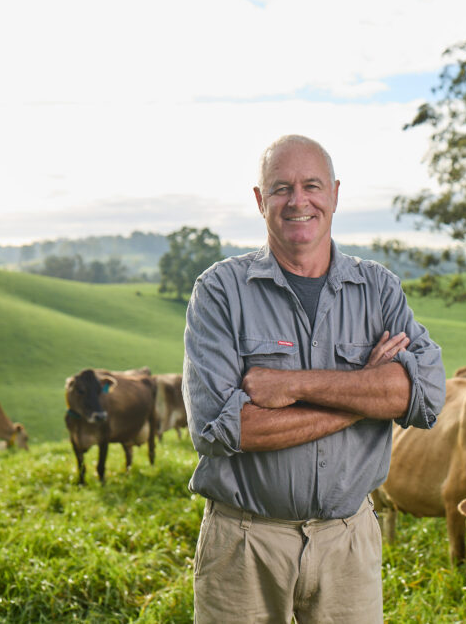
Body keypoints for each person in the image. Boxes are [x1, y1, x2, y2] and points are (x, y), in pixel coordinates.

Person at [182, 134, 445, 623]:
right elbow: (223, 430)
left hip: (347, 542)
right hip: (245, 543)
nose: (297, 201)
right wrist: (365, 393)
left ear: (335, 195)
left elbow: (424, 396)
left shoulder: (378, 290)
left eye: (312, 186)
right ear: (260, 200)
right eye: (281, 188)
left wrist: (292, 386)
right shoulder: (220, 291)